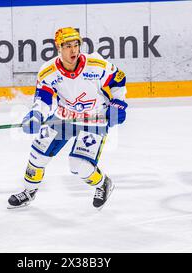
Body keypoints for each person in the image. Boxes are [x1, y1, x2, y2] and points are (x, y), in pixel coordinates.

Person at [8, 27, 128, 210]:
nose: (73, 50)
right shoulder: (48, 72)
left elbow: (119, 79)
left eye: (76, 45)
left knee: (79, 165)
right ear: (58, 48)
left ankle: (103, 183)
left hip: (94, 119)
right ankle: (29, 191)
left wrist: (118, 103)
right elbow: (43, 98)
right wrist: (36, 114)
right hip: (64, 117)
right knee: (37, 155)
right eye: (68, 46)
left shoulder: (96, 64)